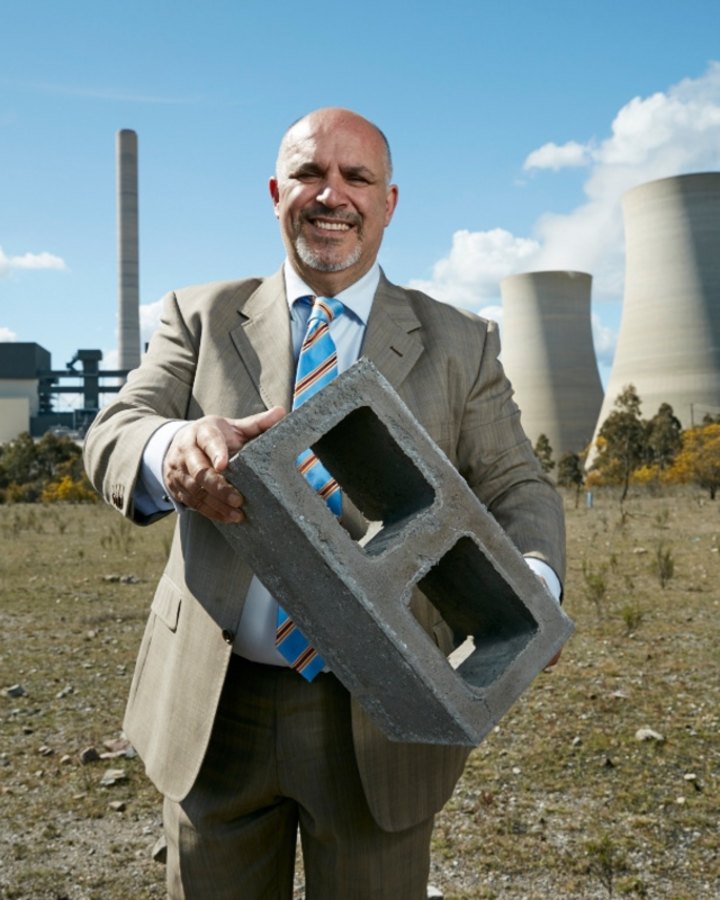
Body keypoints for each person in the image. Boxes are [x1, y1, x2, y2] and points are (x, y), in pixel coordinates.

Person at [83, 107, 565, 900]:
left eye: (357, 177)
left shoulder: (459, 341)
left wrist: (533, 594)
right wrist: (172, 452)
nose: (331, 194)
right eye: (310, 174)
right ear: (276, 192)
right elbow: (114, 430)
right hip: (216, 705)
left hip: (383, 715)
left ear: (389, 201)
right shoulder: (199, 316)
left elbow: (516, 482)